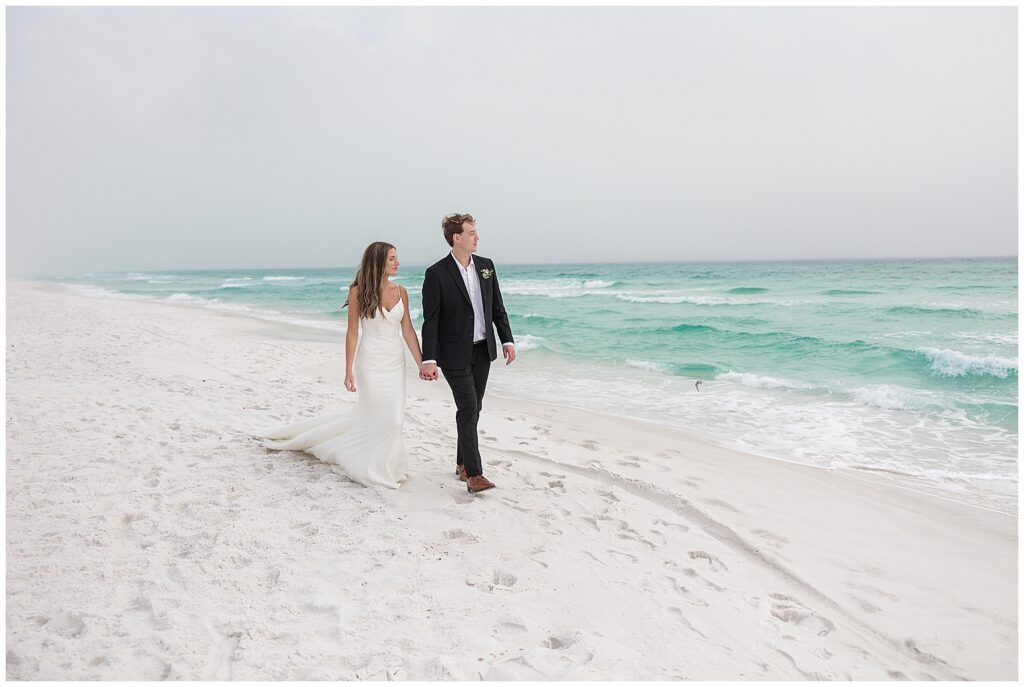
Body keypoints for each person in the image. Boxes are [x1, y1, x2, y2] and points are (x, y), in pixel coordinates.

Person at [255, 242, 425, 489]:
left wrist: (421, 363)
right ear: (378, 262)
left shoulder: (402, 291)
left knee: (395, 418)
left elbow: (407, 329)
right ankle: (373, 466)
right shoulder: (358, 292)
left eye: (397, 257)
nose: (398, 262)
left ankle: (386, 465)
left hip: (395, 362)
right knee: (382, 417)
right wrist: (349, 369)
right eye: (392, 259)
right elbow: (352, 333)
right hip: (371, 362)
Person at [419, 213, 515, 493]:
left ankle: (462, 462)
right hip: (453, 354)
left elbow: (497, 306)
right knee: (468, 407)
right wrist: (429, 358)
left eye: (476, 232)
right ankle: (474, 474)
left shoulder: (486, 266)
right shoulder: (436, 273)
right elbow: (431, 320)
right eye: (471, 232)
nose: (477, 237)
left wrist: (507, 339)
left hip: (483, 350)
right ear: (456, 238)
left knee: (475, 408)